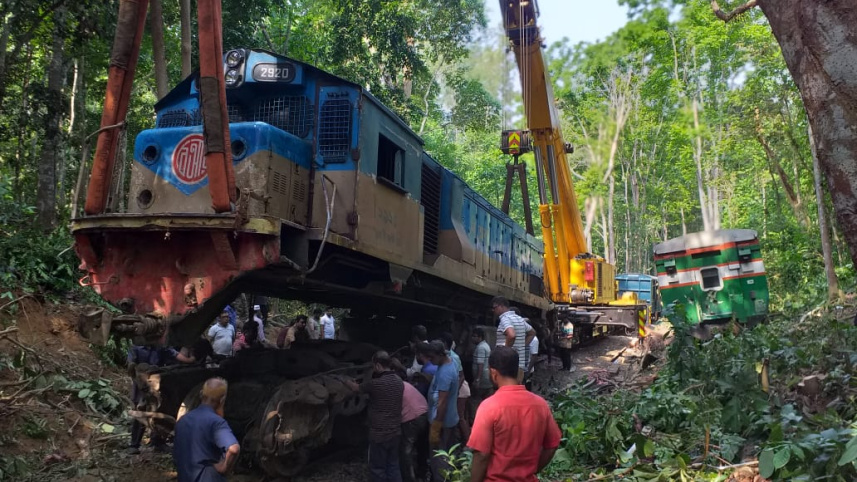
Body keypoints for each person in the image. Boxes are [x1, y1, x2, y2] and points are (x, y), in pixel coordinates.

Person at [467, 347, 561, 482]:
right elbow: (552, 445)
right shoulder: (541, 404)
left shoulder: (489, 407)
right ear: (517, 372)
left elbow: (482, 455)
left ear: (493, 373)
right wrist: (533, 470)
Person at [127, 339, 193, 454]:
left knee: (160, 410)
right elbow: (131, 366)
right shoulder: (136, 348)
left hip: (158, 385)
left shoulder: (160, 347)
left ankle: (158, 442)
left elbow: (175, 355)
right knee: (140, 413)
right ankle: (134, 444)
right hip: (141, 387)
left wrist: (189, 359)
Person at [348, 351, 404, 482]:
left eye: (373, 366)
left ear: (378, 366)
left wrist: (345, 380)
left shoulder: (376, 384)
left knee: (377, 468)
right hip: (396, 432)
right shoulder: (399, 381)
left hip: (379, 434)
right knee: (393, 465)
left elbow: (356, 388)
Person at [174, 378, 240, 482]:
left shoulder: (183, 420)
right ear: (222, 400)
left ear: (201, 395)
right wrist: (224, 467)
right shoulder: (217, 422)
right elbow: (233, 449)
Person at [425, 340, 459, 482]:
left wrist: (436, 428)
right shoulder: (449, 362)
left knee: (439, 458)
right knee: (448, 454)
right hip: (449, 419)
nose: (430, 361)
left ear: (440, 354)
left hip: (442, 422)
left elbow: (442, 402)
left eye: (432, 357)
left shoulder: (445, 373)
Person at [491, 296, 535, 381]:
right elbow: (532, 332)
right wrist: (522, 345)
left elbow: (511, 335)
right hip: (520, 365)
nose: (493, 310)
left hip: (507, 366)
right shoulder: (519, 319)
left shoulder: (505, 318)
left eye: (494, 307)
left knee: (505, 392)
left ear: (501, 306)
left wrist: (504, 352)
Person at [440, 332, 470, 442]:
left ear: (444, 343)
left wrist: (455, 390)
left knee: (460, 417)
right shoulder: (446, 356)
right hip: (458, 390)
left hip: (460, 390)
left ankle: (469, 443)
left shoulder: (453, 357)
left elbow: (461, 375)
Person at [400, 381, 428, 482]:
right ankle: (422, 474)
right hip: (424, 413)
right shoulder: (404, 384)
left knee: (406, 451)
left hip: (412, 418)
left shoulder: (392, 388)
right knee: (421, 447)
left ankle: (409, 478)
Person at [471, 328, 493, 402]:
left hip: (482, 378)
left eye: (475, 336)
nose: (472, 338)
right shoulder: (485, 345)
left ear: (480, 337)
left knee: (477, 399)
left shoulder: (481, 347)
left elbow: (480, 364)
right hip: (486, 376)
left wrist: (478, 379)